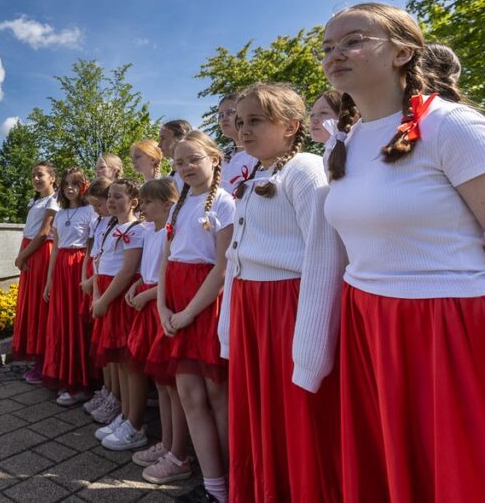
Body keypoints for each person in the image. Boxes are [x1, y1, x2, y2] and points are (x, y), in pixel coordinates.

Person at [321, 2, 485, 500]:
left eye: (354, 40)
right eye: (329, 46)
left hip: (452, 331)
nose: (336, 54)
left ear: (403, 52)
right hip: (371, 325)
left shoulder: (454, 127)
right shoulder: (347, 141)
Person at [219, 83, 344, 502]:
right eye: (240, 123)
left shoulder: (306, 170)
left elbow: (324, 257)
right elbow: (237, 259)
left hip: (287, 310)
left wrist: (309, 352)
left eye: (255, 121)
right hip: (253, 309)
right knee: (259, 416)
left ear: (291, 126)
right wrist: (228, 328)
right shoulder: (256, 173)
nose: (243, 131)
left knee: (294, 417)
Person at [148, 130, 234, 503]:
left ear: (214, 159)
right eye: (179, 162)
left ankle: (234, 482)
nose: (186, 168)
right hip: (177, 302)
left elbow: (221, 268)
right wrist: (164, 306)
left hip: (204, 304)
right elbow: (167, 259)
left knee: (216, 393)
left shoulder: (226, 204)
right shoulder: (180, 206)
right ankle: (213, 485)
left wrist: (187, 313)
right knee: (188, 393)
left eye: (194, 159)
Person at [127, 178, 193, 484]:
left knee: (173, 386)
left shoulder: (171, 231)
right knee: (162, 384)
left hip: (162, 309)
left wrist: (150, 295)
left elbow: (169, 278)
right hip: (150, 304)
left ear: (168, 203)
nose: (143, 207)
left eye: (149, 202)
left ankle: (178, 449)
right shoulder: (152, 232)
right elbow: (150, 271)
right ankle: (167, 444)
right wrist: (138, 285)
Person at [90, 179, 147, 450]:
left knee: (129, 363)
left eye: (118, 197)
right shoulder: (113, 226)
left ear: (134, 202)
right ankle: (124, 415)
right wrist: (96, 296)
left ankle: (135, 424)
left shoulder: (137, 230)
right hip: (106, 296)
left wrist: (105, 299)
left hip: (120, 301)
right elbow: (100, 262)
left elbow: (127, 270)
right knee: (120, 363)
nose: (111, 201)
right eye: (110, 196)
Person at [42, 167, 96, 406]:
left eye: (74, 184)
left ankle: (81, 383)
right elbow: (55, 250)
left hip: (79, 266)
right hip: (62, 266)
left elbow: (91, 247)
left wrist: (86, 275)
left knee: (76, 323)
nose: (70, 188)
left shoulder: (91, 211)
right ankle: (63, 375)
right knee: (61, 323)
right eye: (66, 185)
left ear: (83, 186)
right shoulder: (61, 214)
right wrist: (49, 280)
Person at [12, 162, 59, 384]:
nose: (36, 179)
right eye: (33, 175)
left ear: (52, 177)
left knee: (41, 309)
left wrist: (22, 256)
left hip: (40, 254)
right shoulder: (36, 201)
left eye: (40, 175)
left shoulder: (54, 201)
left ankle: (44, 362)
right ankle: (37, 359)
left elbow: (43, 233)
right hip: (32, 253)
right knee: (31, 306)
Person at [81, 178, 118, 420]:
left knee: (111, 346)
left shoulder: (116, 224)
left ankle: (116, 397)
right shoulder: (101, 222)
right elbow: (92, 253)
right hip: (96, 280)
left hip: (106, 284)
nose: (97, 210)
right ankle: (108, 390)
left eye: (98, 205)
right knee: (101, 343)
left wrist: (92, 281)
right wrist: (87, 276)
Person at [218, 93, 258, 195]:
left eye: (230, 112)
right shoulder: (224, 159)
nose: (224, 118)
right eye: (220, 115)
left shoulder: (258, 155)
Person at [159, 120, 192, 189]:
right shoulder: (172, 177)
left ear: (179, 138)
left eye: (163, 138)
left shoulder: (195, 173)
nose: (159, 145)